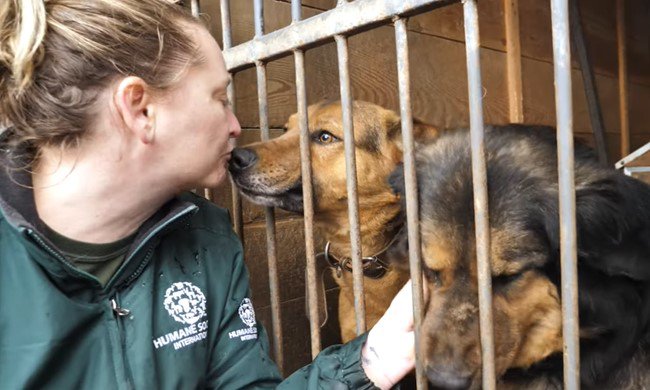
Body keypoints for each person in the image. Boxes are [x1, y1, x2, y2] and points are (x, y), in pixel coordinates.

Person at [0, 1, 419, 388]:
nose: (238, 127)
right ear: (140, 109)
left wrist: (366, 364)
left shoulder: (207, 239)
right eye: (220, 97)